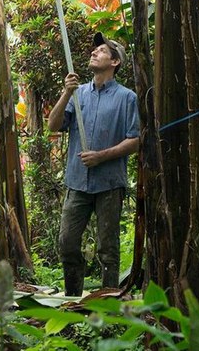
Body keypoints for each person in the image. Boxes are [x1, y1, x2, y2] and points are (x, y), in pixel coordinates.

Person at [46, 32, 139, 296]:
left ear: (115, 62)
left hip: (109, 183)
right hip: (77, 182)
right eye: (94, 49)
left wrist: (101, 156)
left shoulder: (127, 98)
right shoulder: (78, 94)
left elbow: (135, 141)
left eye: (102, 50)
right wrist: (66, 93)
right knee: (67, 243)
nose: (94, 52)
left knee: (107, 248)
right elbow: (53, 125)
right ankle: (73, 298)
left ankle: (108, 302)